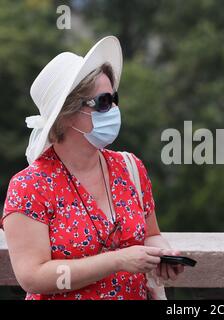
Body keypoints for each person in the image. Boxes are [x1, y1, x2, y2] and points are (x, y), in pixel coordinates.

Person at [1, 36, 184, 300]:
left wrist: (163, 254)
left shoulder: (130, 167)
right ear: (66, 113)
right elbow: (33, 277)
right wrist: (116, 261)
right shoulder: (29, 186)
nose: (114, 109)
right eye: (104, 102)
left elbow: (151, 235)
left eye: (114, 98)